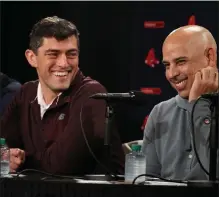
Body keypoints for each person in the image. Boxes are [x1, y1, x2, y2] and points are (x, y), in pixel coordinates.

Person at [1, 16, 124, 175]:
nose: (64, 63)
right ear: (32, 58)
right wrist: (7, 157)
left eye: (71, 54)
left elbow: (60, 168)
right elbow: (3, 144)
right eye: (53, 54)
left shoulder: (93, 95)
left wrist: (21, 160)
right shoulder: (26, 93)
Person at [142, 25, 218, 180]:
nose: (172, 74)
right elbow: (147, 183)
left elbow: (210, 177)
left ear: (210, 57)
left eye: (181, 62)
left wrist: (199, 104)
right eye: (167, 65)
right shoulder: (160, 113)